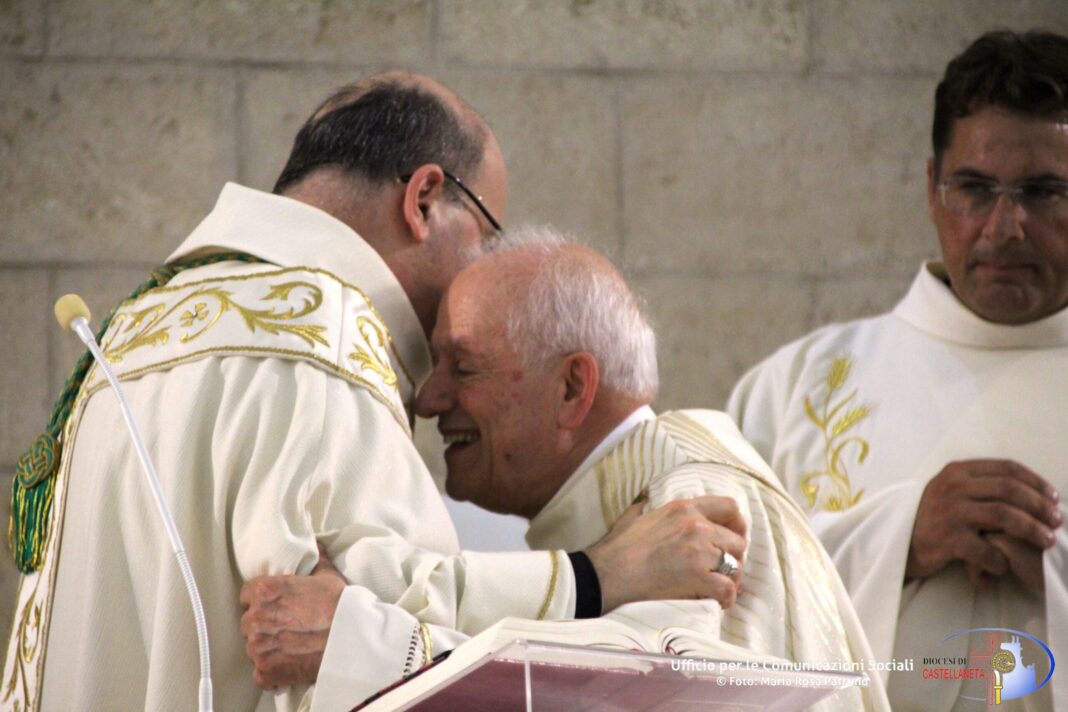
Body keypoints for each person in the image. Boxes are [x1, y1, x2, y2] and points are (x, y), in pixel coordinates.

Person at [2, 72, 747, 712]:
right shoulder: (318, 335)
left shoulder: (134, 330)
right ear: (425, 199)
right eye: (486, 237)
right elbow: (353, 630)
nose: (477, 271)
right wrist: (596, 577)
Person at [269, 227, 890, 711]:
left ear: (571, 388)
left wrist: (372, 649)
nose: (428, 399)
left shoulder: (690, 505)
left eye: (462, 367)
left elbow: (646, 689)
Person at [727, 30, 1068, 711]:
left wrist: (1055, 564)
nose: (1006, 227)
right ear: (933, 188)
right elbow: (715, 599)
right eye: (974, 188)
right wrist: (903, 538)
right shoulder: (795, 387)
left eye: (1044, 191)